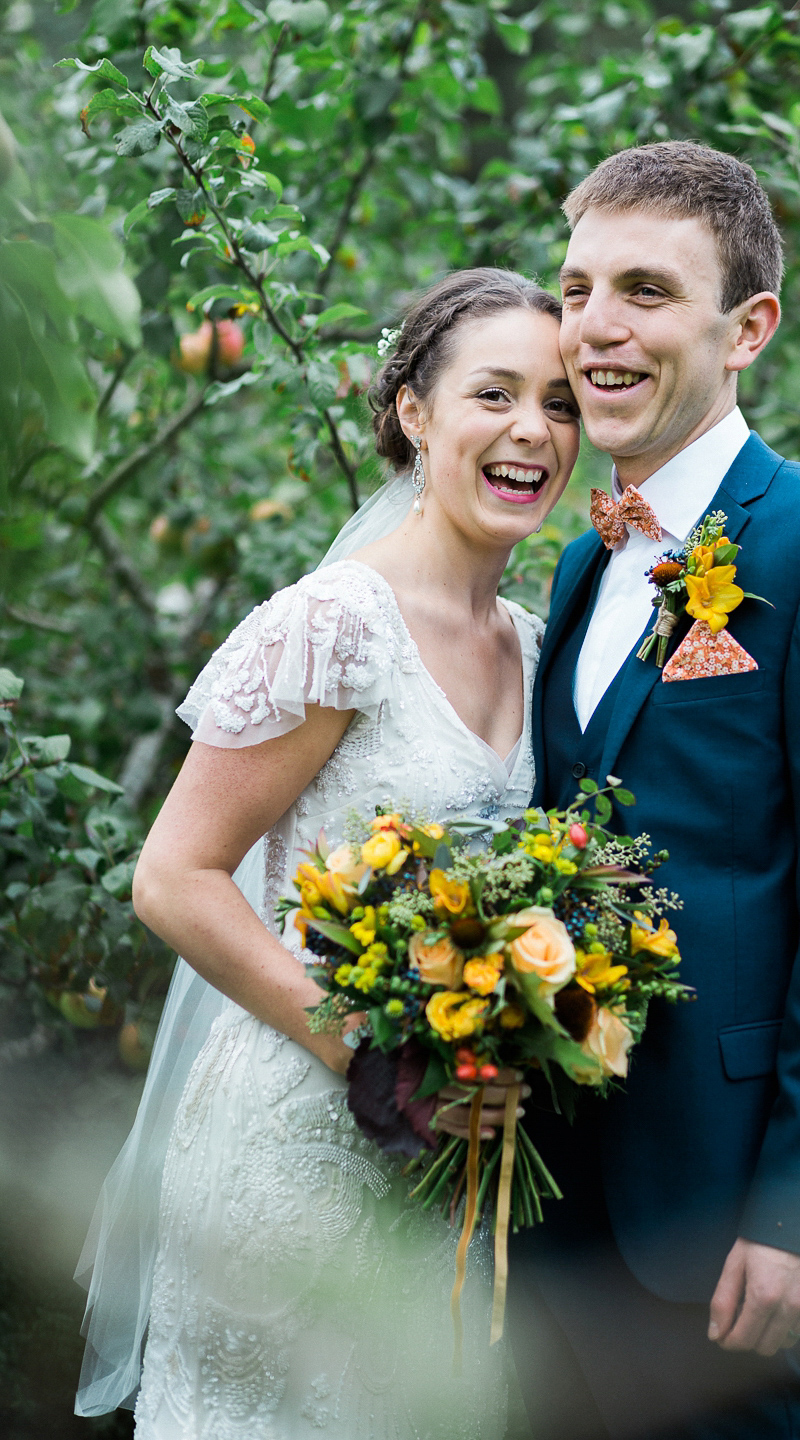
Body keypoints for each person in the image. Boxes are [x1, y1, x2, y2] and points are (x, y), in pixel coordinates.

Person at [73, 267, 581, 1438]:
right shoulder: (334, 624)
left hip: (447, 1172)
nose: (531, 432)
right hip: (298, 1141)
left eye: (558, 404)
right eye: (494, 394)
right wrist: (377, 1060)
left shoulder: (535, 642)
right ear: (413, 411)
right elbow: (174, 877)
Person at [509, 141, 800, 1440]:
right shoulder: (585, 566)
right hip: (547, 1191)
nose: (595, 328)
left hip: (724, 1200)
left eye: (644, 290)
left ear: (748, 328)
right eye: (576, 291)